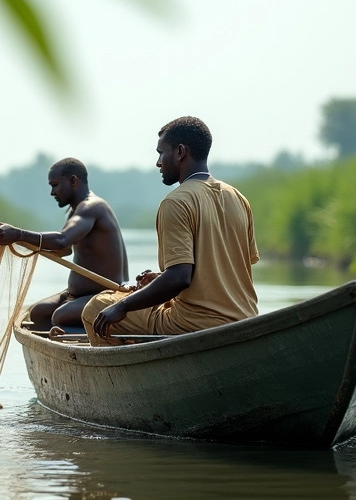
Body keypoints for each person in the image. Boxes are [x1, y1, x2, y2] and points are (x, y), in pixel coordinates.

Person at [83, 116, 258, 346]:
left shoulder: (176, 202)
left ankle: (128, 376)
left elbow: (179, 278)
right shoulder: (238, 198)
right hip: (245, 319)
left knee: (97, 307)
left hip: (195, 323)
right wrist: (157, 280)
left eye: (161, 153)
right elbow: (220, 271)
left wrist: (122, 306)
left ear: (180, 152)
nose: (158, 162)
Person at [0, 157, 128, 331]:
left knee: (60, 317)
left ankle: (91, 335)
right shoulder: (74, 210)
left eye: (55, 185)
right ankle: (64, 335)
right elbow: (63, 250)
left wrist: (17, 233)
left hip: (105, 296)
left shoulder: (91, 207)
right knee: (38, 313)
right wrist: (18, 239)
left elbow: (62, 239)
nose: (52, 192)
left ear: (73, 181)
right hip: (78, 295)